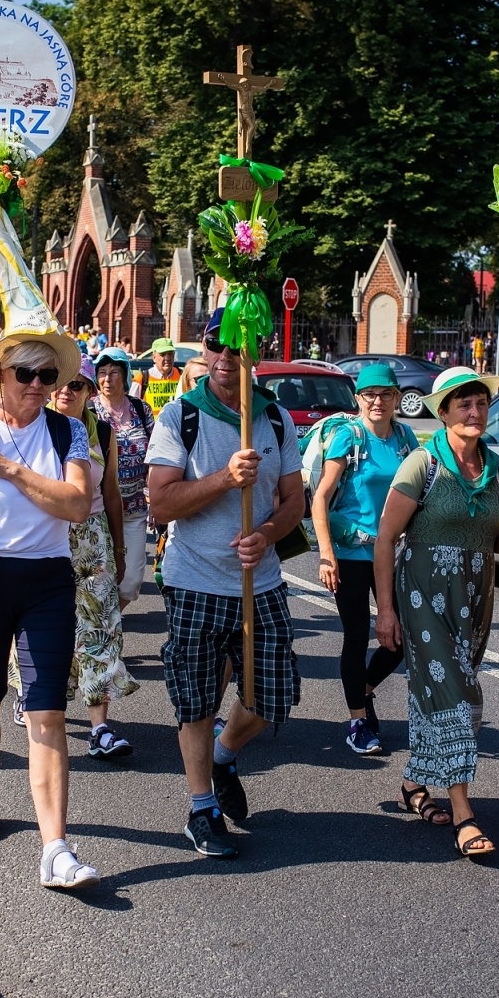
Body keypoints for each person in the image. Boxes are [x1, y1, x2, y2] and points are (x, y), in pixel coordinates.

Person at [0, 331, 102, 890]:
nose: (37, 385)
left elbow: (78, 504)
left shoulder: (68, 431)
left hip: (48, 580)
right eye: (25, 374)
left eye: (48, 376)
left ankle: (55, 848)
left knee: (48, 711)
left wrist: (8, 469)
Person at [145, 308, 307, 858]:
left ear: (252, 355)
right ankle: (200, 809)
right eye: (215, 346)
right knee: (195, 700)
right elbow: (161, 502)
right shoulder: (179, 417)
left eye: (234, 348)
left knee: (269, 698)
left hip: (258, 583)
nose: (222, 358)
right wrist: (224, 478)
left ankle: (223, 755)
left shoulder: (276, 419)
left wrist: (264, 534)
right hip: (193, 580)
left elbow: (294, 501)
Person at [373, 366, 499, 860]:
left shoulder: (498, 468)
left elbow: (496, 537)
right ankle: (463, 813)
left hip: (473, 595)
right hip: (422, 592)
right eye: (463, 404)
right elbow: (385, 538)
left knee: (437, 693)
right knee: (458, 696)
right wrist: (385, 611)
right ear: (442, 413)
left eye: (481, 403)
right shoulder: (422, 465)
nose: (474, 411)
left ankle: (412, 784)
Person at [312, 364, 421, 755]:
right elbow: (321, 497)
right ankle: (358, 720)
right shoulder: (348, 436)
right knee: (358, 635)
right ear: (358, 399)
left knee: (401, 635)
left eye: (386, 394)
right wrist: (326, 555)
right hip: (352, 551)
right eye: (369, 395)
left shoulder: (405, 438)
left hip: (390, 551)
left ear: (396, 398)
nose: (378, 402)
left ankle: (364, 689)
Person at [51, 357, 139, 755]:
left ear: (89, 392)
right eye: (60, 383)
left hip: (94, 541)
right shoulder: (33, 429)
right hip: (45, 539)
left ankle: (100, 727)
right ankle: (30, 692)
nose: (66, 391)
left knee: (100, 627)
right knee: (45, 625)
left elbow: (114, 494)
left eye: (77, 384)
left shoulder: (102, 432)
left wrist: (119, 549)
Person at [90, 347, 154, 607]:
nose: (107, 379)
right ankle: (104, 628)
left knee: (131, 581)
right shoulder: (90, 410)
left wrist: (155, 496)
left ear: (125, 375)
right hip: (100, 511)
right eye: (102, 373)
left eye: (114, 372)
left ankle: (108, 619)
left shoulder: (141, 409)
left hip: (135, 508)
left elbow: (156, 453)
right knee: (99, 577)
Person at [132, 336, 181, 417]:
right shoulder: (141, 379)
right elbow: (132, 410)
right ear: (154, 357)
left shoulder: (181, 376)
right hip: (151, 428)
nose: (167, 358)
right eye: (163, 354)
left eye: (170, 354)